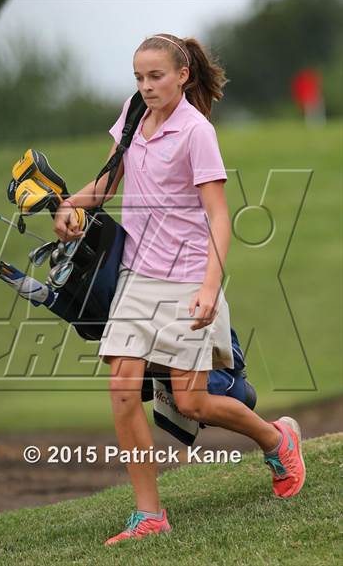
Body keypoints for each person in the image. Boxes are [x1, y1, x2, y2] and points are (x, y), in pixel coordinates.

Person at [53, 33, 306, 546]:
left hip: (189, 277)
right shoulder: (131, 114)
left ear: (182, 75)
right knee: (123, 390)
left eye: (156, 77)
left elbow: (219, 216)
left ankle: (276, 437)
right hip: (137, 276)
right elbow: (107, 183)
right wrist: (72, 205)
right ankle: (149, 514)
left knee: (192, 404)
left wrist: (210, 288)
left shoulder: (196, 132)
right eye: (139, 78)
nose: (146, 87)